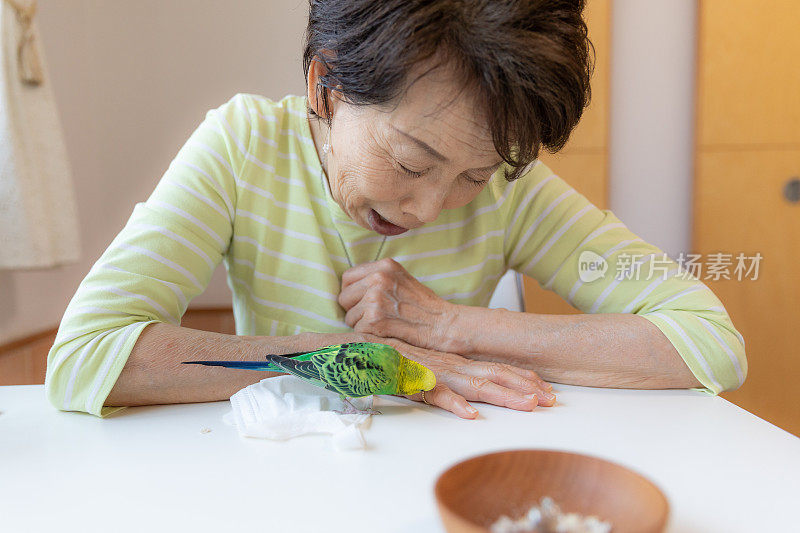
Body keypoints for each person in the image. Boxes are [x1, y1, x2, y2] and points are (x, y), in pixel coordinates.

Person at [45, 0, 746, 420]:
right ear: (324, 85)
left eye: (474, 174)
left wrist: (451, 326)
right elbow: (85, 356)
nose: (431, 207)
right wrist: (359, 360)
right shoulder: (244, 149)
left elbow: (709, 340)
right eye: (412, 162)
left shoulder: (511, 188)